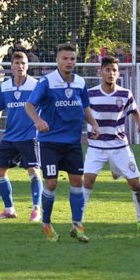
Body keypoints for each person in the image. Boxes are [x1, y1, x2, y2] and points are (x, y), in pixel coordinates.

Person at [25, 43, 100, 243]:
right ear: (57, 60)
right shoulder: (47, 82)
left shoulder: (80, 83)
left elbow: (85, 107)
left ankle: (77, 225)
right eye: (65, 58)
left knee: (77, 182)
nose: (69, 62)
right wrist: (38, 121)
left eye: (72, 59)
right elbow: (29, 104)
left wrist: (93, 124)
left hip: (73, 142)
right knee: (51, 182)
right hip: (49, 142)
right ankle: (47, 224)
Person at [82, 55, 140, 233]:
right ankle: (78, 222)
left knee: (135, 184)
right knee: (87, 181)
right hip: (96, 147)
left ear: (118, 73)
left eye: (114, 70)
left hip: (119, 146)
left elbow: (135, 112)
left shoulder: (125, 93)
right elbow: (83, 113)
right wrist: (91, 126)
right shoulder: (90, 93)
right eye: (107, 70)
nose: (111, 73)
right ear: (101, 72)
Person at [0, 51, 42, 221]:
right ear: (11, 66)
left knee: (33, 170)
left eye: (23, 63)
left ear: (28, 66)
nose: (20, 66)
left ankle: (36, 208)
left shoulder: (36, 85)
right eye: (17, 63)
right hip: (9, 137)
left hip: (30, 136)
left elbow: (46, 106)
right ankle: (9, 209)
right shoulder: (5, 87)